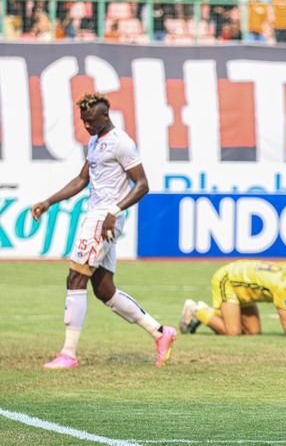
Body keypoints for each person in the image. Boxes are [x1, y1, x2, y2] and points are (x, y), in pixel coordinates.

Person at [32, 93, 177, 370]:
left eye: (90, 121)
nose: (86, 126)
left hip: (105, 218)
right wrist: (49, 201)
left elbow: (142, 185)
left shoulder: (122, 143)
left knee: (76, 276)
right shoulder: (95, 142)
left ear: (105, 116)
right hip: (97, 216)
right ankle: (160, 333)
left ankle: (68, 354)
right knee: (104, 289)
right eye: (83, 122)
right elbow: (81, 179)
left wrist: (114, 211)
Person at [179, 260, 286, 337]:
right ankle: (197, 311)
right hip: (228, 279)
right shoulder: (282, 286)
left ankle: (215, 314)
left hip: (247, 289)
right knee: (233, 332)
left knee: (253, 331)